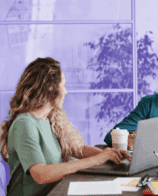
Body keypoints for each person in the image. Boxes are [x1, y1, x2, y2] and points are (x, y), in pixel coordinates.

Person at [0, 57, 131, 196]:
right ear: (50, 88)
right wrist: (96, 160)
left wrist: (109, 154)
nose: (65, 92)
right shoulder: (24, 124)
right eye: (63, 85)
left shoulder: (49, 118)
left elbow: (75, 149)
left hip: (55, 191)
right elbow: (41, 175)